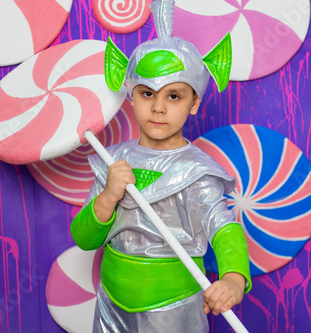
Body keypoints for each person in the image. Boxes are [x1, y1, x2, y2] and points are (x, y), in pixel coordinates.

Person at [71, 1, 251, 332]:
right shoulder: (114, 161)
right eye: (146, 93)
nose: (157, 108)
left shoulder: (197, 171)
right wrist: (109, 196)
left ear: (194, 102)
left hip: (173, 307)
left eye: (174, 96)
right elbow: (83, 239)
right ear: (131, 95)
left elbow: (223, 227)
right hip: (111, 302)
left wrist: (234, 278)